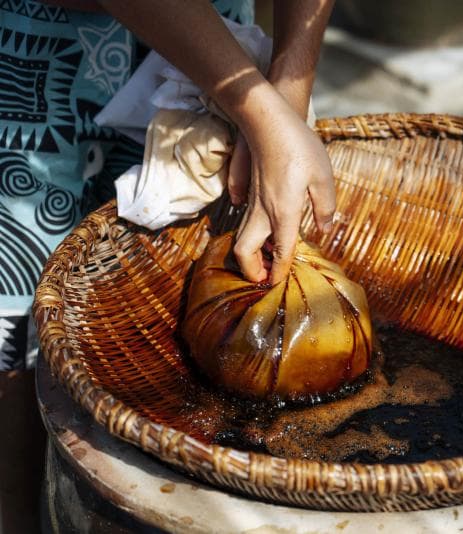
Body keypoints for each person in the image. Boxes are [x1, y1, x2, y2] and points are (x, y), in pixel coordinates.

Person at [0, 1, 335, 530]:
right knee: (15, 328)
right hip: (38, 50)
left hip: (208, 38)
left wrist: (286, 94)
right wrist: (258, 110)